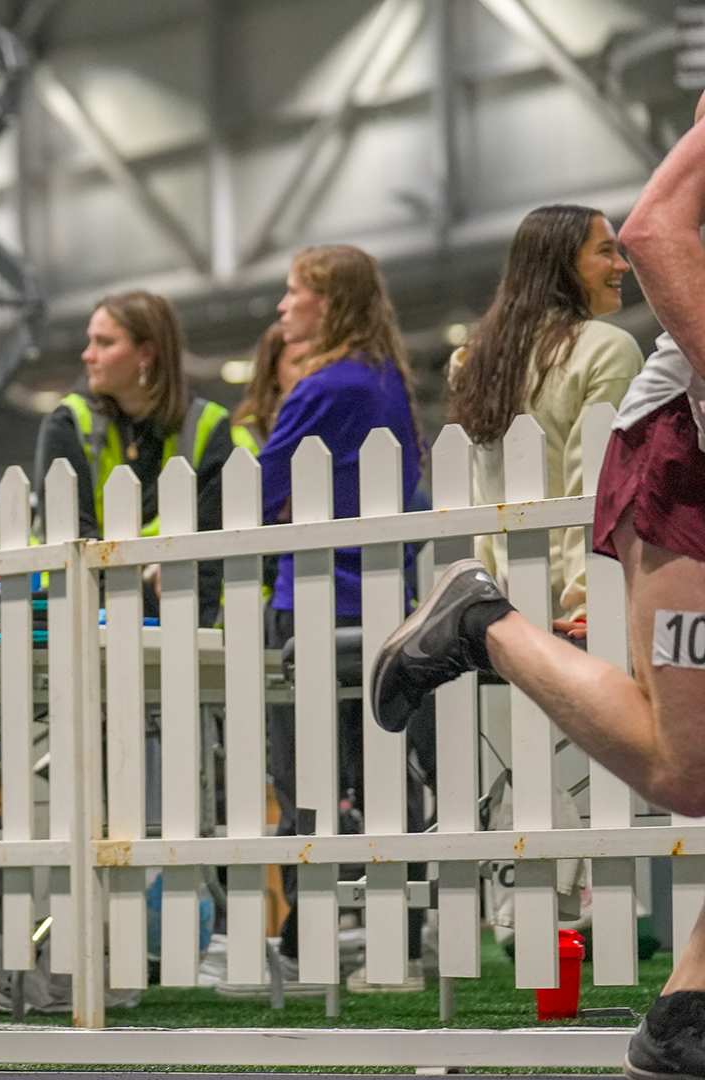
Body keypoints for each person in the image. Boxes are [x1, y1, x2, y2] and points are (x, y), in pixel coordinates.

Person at [372, 98, 705, 1080]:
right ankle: (481, 623)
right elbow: (652, 230)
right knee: (689, 772)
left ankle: (689, 1009)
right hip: (687, 460)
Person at [256, 244, 427, 993]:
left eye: (295, 293)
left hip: (316, 608)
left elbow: (258, 497)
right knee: (389, 778)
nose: (283, 307)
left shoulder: (325, 387)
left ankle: (306, 943)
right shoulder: (387, 379)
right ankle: (400, 939)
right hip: (386, 605)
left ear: (329, 303)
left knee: (306, 784)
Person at [447, 204, 643, 626]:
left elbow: (482, 504)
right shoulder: (607, 348)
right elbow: (595, 485)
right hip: (584, 611)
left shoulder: (472, 360)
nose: (622, 265)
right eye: (606, 251)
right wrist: (591, 599)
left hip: (504, 610)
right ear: (562, 264)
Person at [34, 290, 251, 626]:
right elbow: (75, 540)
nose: (87, 354)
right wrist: (143, 591)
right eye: (90, 341)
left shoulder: (209, 426)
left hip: (186, 616)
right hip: (83, 615)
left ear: (147, 353)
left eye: (104, 343)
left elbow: (212, 547)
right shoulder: (67, 423)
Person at [229, 320, 312, 448]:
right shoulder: (244, 437)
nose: (311, 370)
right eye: (299, 361)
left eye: (317, 360)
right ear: (272, 371)